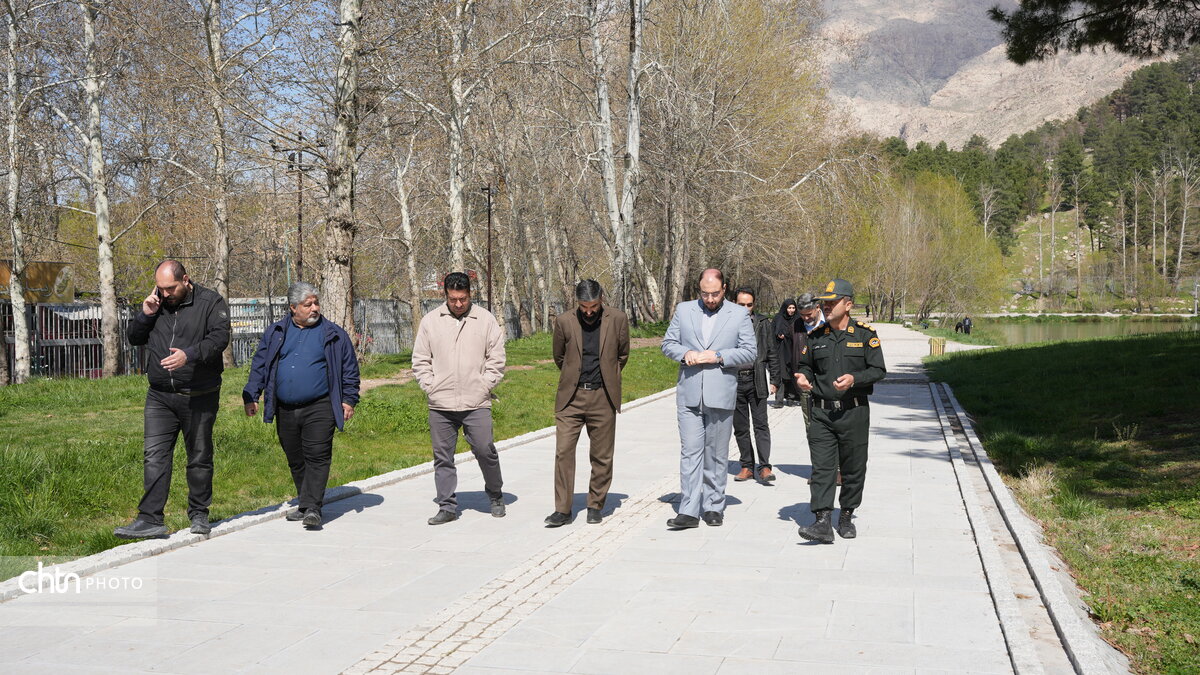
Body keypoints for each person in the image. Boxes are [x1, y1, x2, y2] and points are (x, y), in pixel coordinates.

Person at [114, 260, 230, 539]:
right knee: (155, 456)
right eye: (161, 288)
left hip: (199, 395)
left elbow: (219, 339)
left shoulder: (210, 302)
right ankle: (150, 518)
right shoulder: (156, 304)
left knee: (199, 456)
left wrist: (188, 355)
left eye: (171, 288)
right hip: (160, 396)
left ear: (185, 280)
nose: (165, 294)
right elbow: (134, 338)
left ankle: (199, 513)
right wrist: (145, 315)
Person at [242, 282, 360, 530]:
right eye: (308, 304)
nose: (315, 308)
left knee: (317, 455)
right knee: (295, 457)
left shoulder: (334, 334)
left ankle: (313, 507)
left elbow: (349, 369)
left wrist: (349, 399)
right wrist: (251, 394)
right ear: (293, 307)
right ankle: (305, 504)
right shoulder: (276, 332)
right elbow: (260, 365)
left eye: (316, 303)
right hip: (285, 407)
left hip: (320, 405)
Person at [661, 268, 756, 529]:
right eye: (705, 293)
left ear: (724, 289)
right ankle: (688, 510)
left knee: (716, 454)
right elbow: (668, 343)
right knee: (690, 452)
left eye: (715, 293)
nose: (710, 299)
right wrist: (685, 353)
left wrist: (719, 356)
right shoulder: (684, 310)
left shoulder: (739, 314)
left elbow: (750, 352)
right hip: (689, 394)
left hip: (721, 393)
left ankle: (714, 505)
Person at [793, 279, 886, 544]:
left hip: (854, 412)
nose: (827, 306)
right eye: (825, 302)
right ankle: (822, 521)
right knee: (822, 468)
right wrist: (803, 377)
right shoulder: (816, 337)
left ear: (848, 305)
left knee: (853, 467)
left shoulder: (865, 335)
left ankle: (846, 515)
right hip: (821, 413)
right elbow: (805, 365)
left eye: (833, 302)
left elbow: (879, 370)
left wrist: (855, 379)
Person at [412, 272, 507, 525]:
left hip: (476, 402)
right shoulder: (430, 321)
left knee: (485, 450)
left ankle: (495, 494)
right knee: (443, 457)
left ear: (469, 295)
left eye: (462, 299)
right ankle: (447, 506)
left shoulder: (485, 320)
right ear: (445, 295)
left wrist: (484, 385)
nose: (458, 304)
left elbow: (497, 358)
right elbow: (420, 359)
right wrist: (430, 386)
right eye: (453, 299)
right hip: (441, 404)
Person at [545, 280, 630, 527]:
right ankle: (562, 510)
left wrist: (607, 378)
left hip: (603, 396)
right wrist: (574, 376)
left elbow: (622, 355)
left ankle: (595, 505)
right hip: (571, 398)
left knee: (602, 455)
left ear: (601, 299)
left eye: (593, 306)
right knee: (563, 452)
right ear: (577, 302)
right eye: (584, 307)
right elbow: (559, 356)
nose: (589, 312)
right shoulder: (564, 321)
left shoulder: (618, 319)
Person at [731, 287, 779, 483]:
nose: (745, 308)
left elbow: (772, 351)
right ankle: (746, 466)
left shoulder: (762, 322)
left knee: (761, 425)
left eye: (749, 305)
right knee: (740, 427)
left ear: (754, 305)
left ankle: (765, 466)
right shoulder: (725, 323)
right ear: (734, 303)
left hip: (756, 378)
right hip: (734, 381)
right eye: (741, 304)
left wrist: (775, 379)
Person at [771, 298, 799, 407]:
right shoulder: (778, 318)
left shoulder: (798, 319)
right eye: (789, 308)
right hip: (781, 349)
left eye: (793, 308)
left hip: (793, 350)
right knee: (781, 374)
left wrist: (788, 335)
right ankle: (779, 400)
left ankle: (791, 398)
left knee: (792, 373)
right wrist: (778, 335)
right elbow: (772, 332)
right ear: (785, 308)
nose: (791, 310)